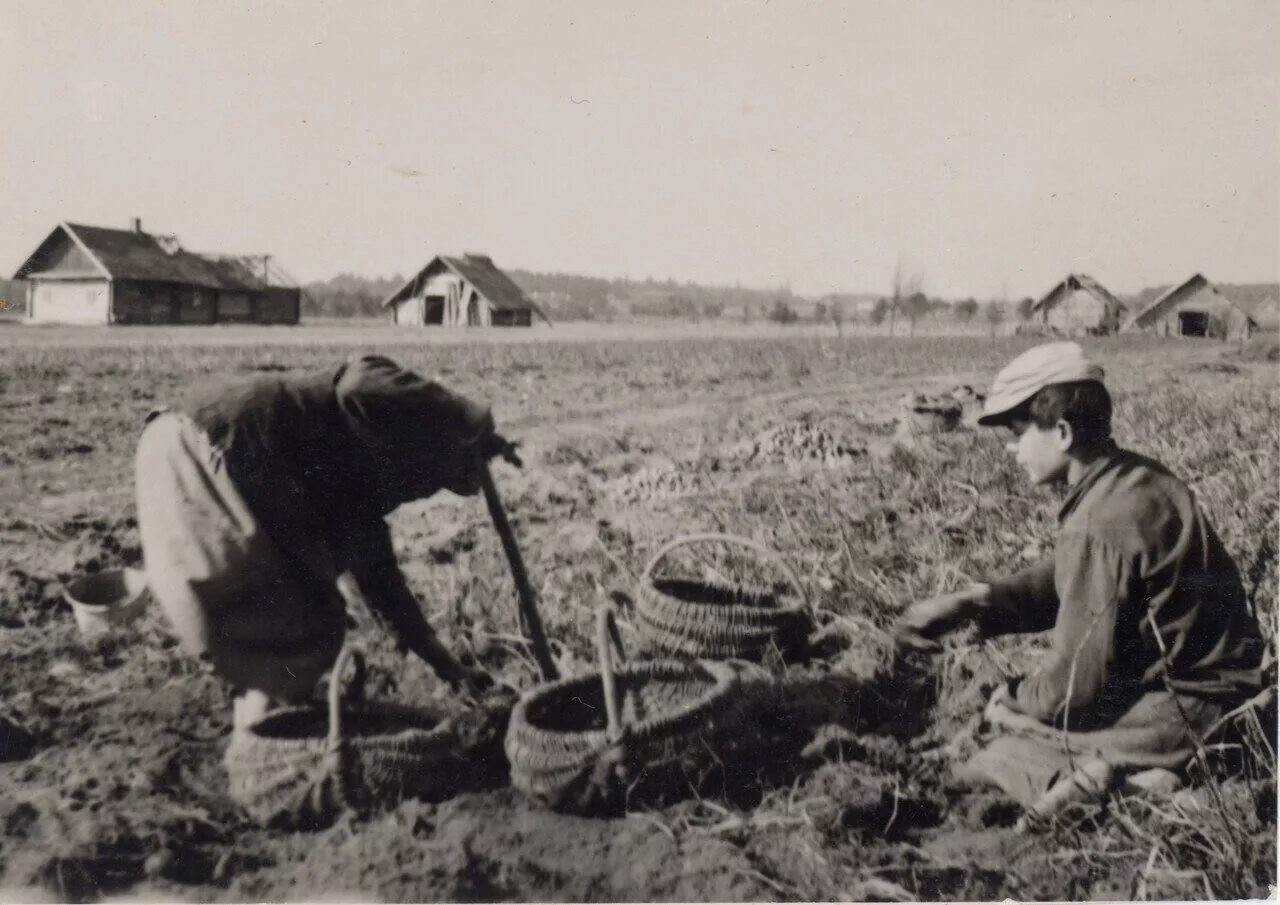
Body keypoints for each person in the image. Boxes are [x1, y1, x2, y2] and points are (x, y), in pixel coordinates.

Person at [894, 341, 1265, 810]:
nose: (1011, 450)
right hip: (1228, 693)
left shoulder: (1099, 521)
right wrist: (976, 600)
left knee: (1000, 746)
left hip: (1186, 710)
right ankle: (1144, 776)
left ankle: (1125, 789)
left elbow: (1075, 684)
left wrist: (1014, 698)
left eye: (1017, 432)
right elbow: (1072, 578)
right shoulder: (1134, 478)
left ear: (1063, 432)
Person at [135, 353, 509, 729]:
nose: (430, 492)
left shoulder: (362, 493)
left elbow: (383, 588)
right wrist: (471, 416)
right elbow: (361, 378)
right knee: (299, 621)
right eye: (444, 479)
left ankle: (263, 735)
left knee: (283, 621)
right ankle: (268, 743)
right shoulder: (394, 414)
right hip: (214, 445)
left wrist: (449, 668)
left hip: (177, 443)